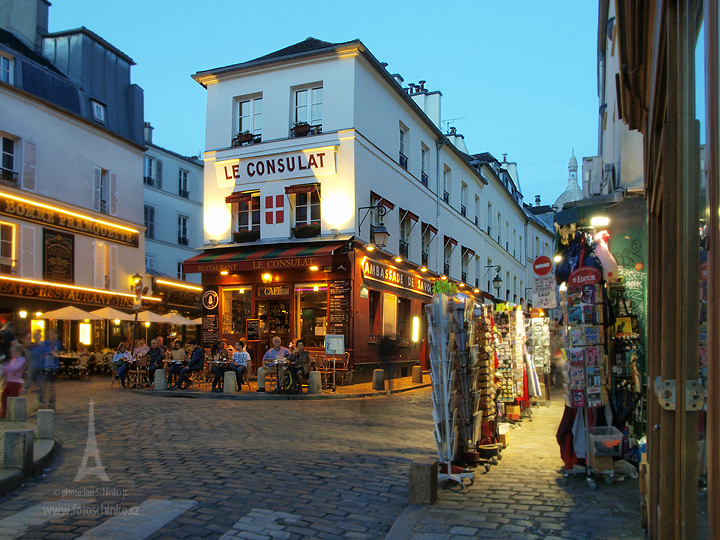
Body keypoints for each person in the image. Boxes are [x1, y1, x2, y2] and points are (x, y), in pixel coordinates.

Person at [0, 343, 27, 418]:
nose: (12, 354)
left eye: (13, 352)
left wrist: (6, 368)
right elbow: (8, 369)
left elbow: (15, 368)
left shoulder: (22, 360)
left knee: (13, 396)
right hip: (9, 380)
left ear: (19, 352)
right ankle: (4, 411)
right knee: (4, 396)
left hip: (16, 381)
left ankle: (14, 413)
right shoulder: (12, 360)